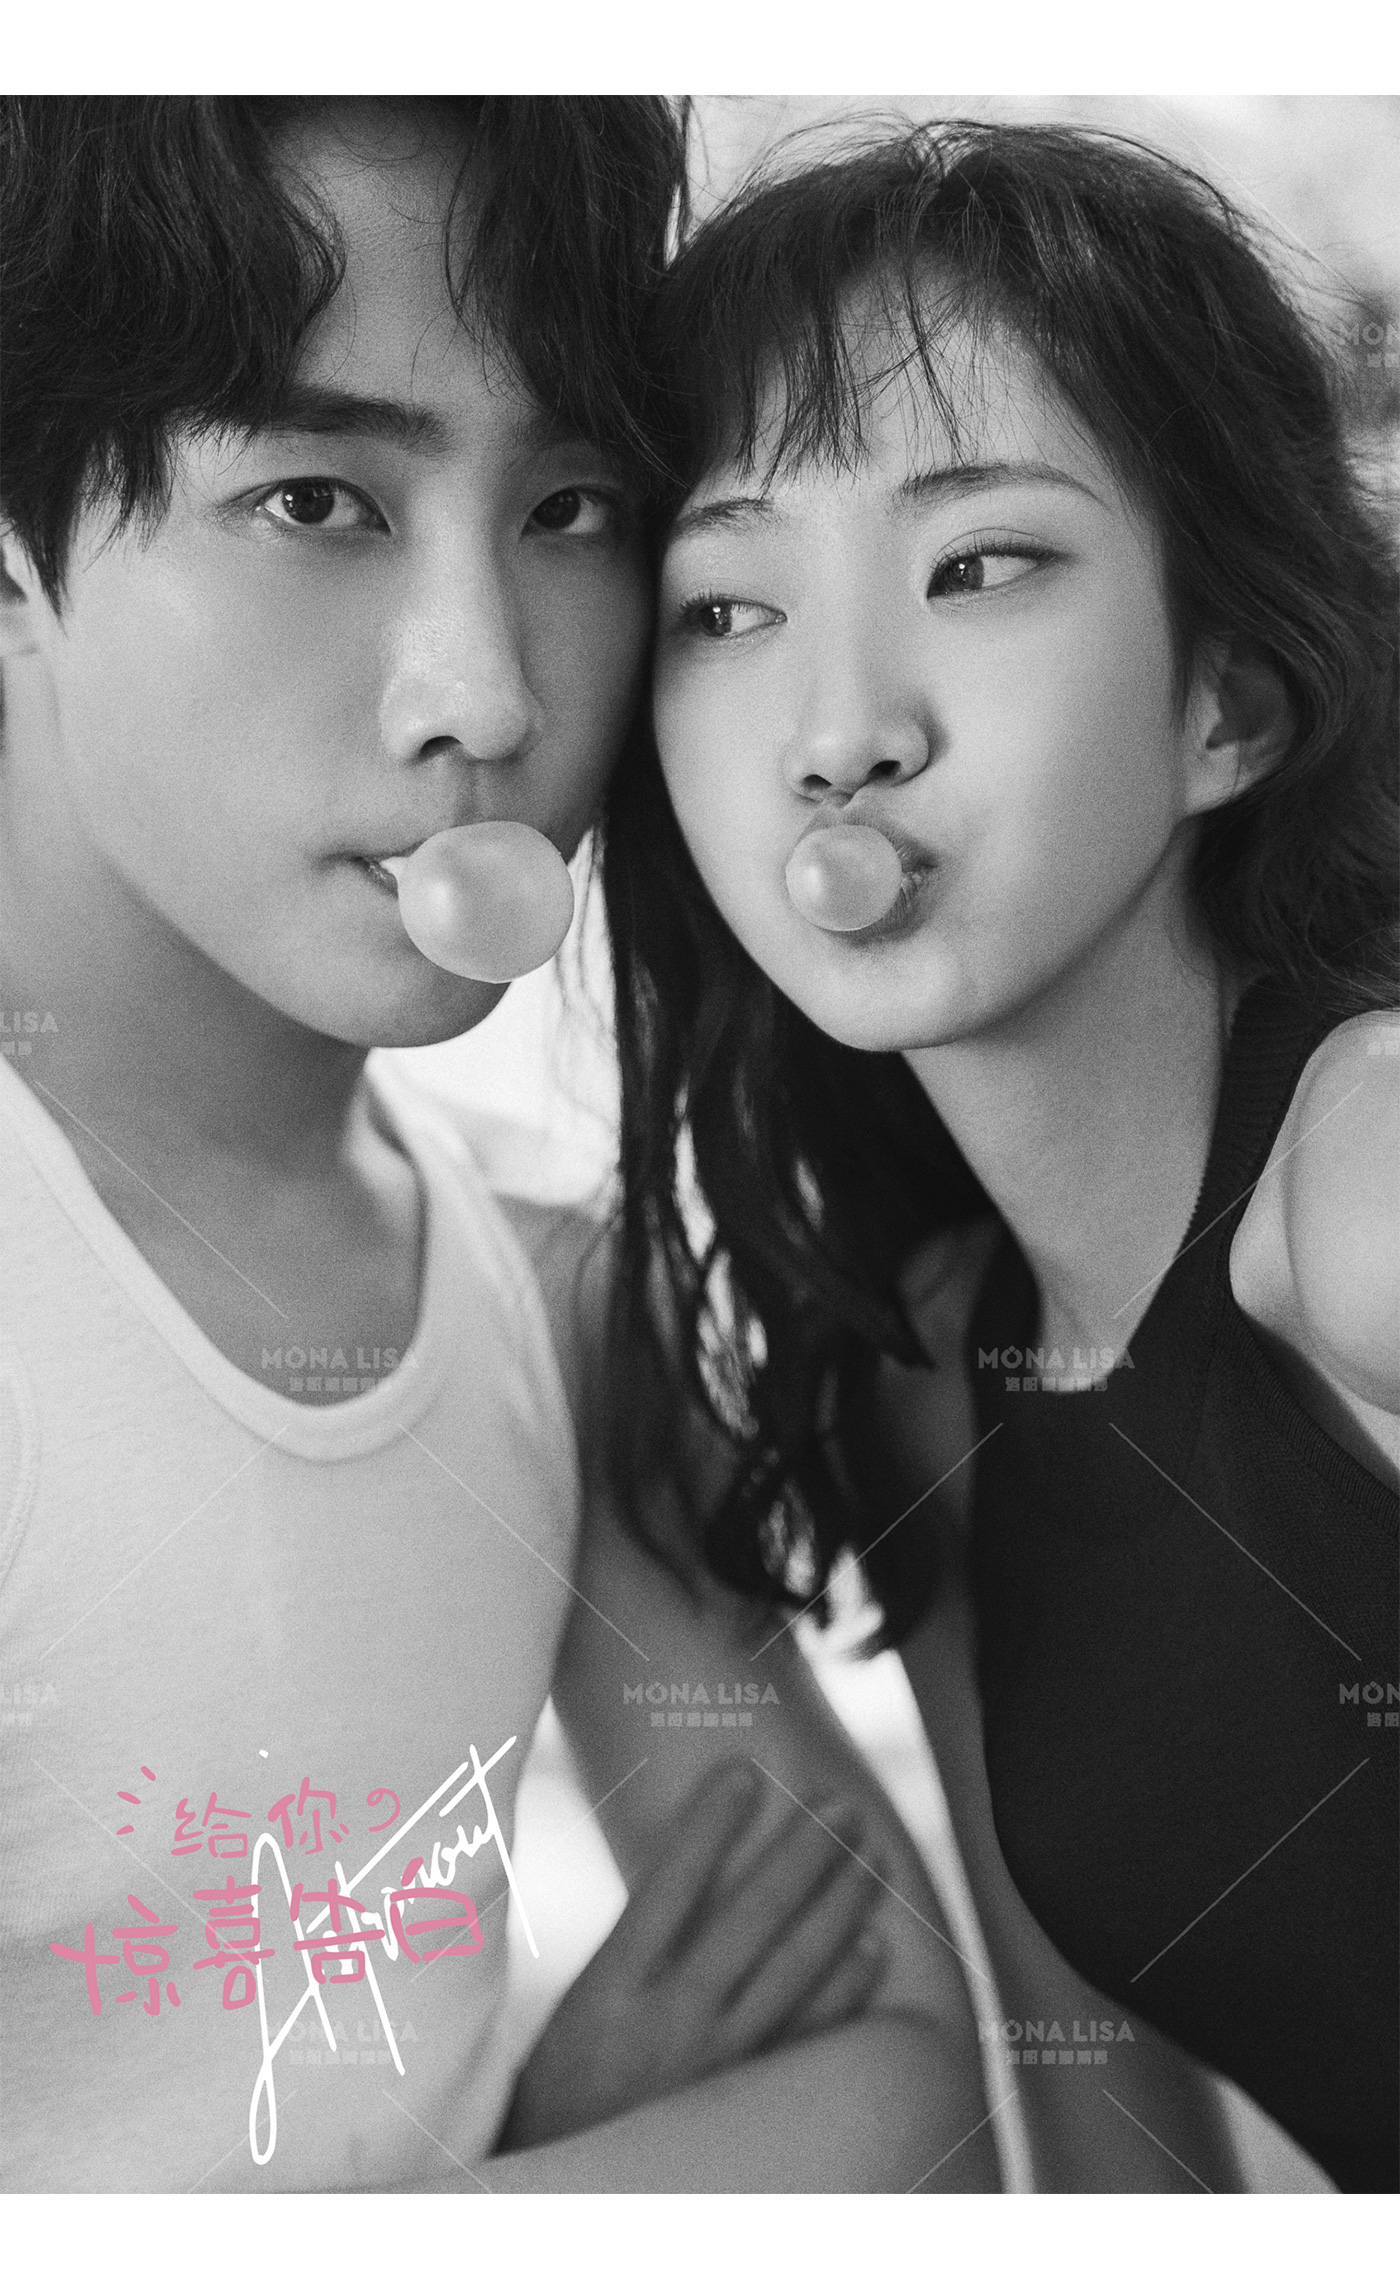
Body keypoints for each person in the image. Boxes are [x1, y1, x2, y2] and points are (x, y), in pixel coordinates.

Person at [0, 95, 992, 2192]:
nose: (489, 694)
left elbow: (900, 2087)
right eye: (314, 500)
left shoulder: (554, 1303)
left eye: (570, 508)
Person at [599, 120, 1399, 2192]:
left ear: (1227, 701)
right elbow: (1107, 2137)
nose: (840, 728)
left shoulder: (1368, 1183)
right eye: (725, 604)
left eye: (981, 565)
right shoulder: (928, 1371)